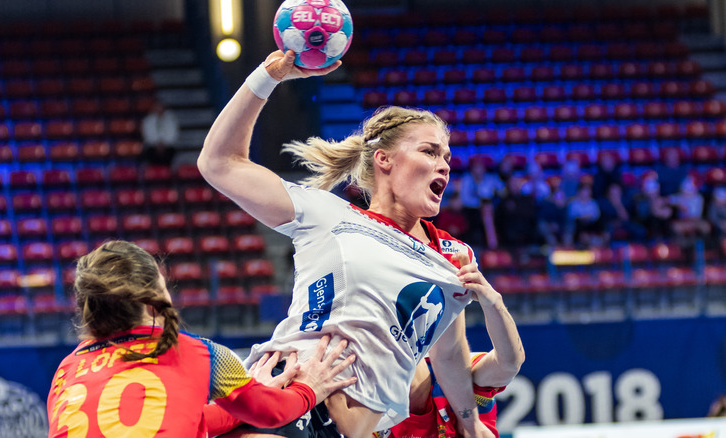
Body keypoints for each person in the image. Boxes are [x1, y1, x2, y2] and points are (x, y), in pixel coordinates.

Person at [198, 50, 491, 437]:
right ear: (384, 160)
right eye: (430, 151)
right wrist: (267, 77)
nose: (445, 165)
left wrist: (470, 426)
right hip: (294, 391)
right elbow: (218, 163)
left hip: (361, 427)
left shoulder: (454, 257)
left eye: (448, 157)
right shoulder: (330, 215)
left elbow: (450, 355)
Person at [46, 240, 357, 438]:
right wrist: (308, 388)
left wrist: (248, 401)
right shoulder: (200, 353)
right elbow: (273, 412)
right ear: (155, 297)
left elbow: (159, 424)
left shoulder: (66, 369)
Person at [382, 263, 525, 438]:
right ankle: (446, 274)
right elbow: (509, 363)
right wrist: (494, 302)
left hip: (380, 395)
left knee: (411, 389)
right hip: (444, 383)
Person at [141, 100, 180, 165]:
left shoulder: (171, 119)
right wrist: (157, 143)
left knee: (171, 152)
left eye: (160, 107)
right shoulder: (148, 120)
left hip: (167, 146)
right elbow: (146, 135)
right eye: (157, 107)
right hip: (153, 146)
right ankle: (152, 171)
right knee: (149, 152)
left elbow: (174, 134)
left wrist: (163, 143)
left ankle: (167, 171)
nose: (159, 109)